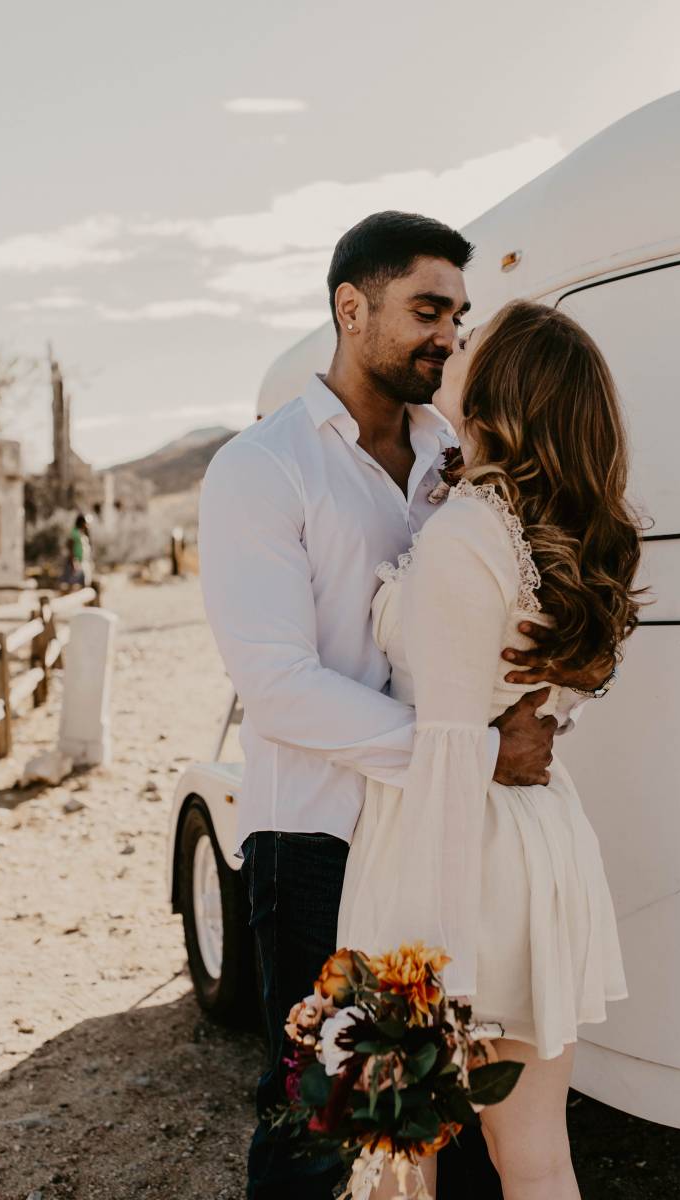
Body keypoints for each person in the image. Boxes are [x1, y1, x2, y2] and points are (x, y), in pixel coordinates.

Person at [198, 212, 615, 1200]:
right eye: (428, 308)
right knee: (324, 1128)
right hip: (320, 842)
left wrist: (534, 723)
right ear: (352, 308)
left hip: (448, 843)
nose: (448, 334)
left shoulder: (453, 461)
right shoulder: (263, 469)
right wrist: (471, 752)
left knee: (443, 1135)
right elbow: (276, 686)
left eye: (460, 316)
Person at [338, 299, 644, 1199]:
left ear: (502, 390)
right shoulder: (570, 539)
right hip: (541, 845)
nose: (453, 347)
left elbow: (442, 749)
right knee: (537, 1157)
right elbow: (549, 707)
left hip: (452, 858)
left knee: (396, 1159)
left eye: (472, 342)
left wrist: (430, 958)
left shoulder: (471, 534)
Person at [61, 513, 93, 589]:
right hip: (76, 561)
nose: (86, 525)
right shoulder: (74, 532)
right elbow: (70, 546)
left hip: (83, 561)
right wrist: (73, 560)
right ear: (81, 522)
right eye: (85, 522)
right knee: (74, 583)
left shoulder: (82, 532)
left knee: (84, 581)